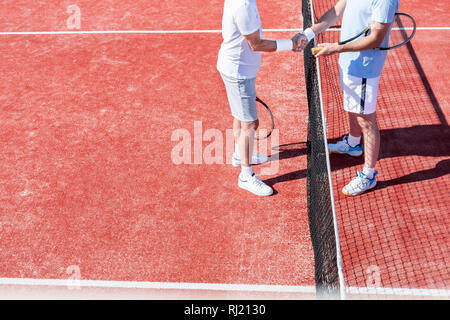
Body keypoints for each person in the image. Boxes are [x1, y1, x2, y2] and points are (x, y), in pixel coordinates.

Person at [297, 0, 398, 196]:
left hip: (364, 67)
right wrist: (308, 33)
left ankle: (368, 175)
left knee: (365, 119)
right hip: (349, 61)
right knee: (353, 107)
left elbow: (376, 38)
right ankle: (353, 144)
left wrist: (335, 48)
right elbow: (336, 11)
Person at [217, 0, 305, 196]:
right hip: (238, 72)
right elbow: (256, 44)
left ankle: (240, 155)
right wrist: (291, 44)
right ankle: (246, 176)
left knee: (241, 117)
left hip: (237, 69)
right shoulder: (244, 5)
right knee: (250, 123)